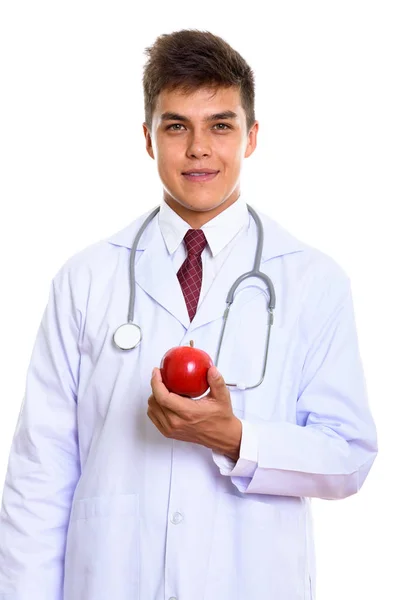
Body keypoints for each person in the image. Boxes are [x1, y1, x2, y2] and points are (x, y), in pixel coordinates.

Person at [0, 29, 377, 600]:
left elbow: (348, 457)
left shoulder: (312, 280)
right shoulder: (85, 279)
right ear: (148, 140)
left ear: (251, 137)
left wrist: (236, 439)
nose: (199, 148)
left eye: (220, 125)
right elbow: (40, 474)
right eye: (177, 125)